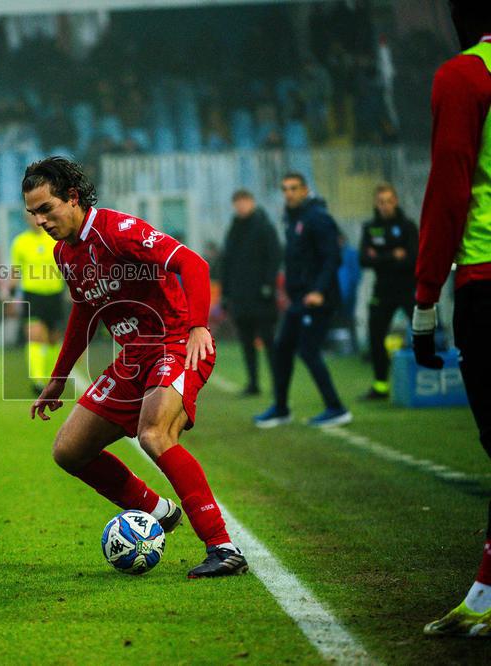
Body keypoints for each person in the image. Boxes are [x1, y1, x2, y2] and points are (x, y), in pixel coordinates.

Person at [26, 157, 248, 579]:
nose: (40, 220)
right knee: (69, 451)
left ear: (73, 199)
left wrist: (200, 325)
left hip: (175, 341)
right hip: (133, 358)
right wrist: (57, 380)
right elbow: (83, 314)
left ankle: (223, 546)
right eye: (33, 213)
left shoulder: (118, 231)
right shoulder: (64, 253)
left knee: (154, 434)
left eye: (46, 209)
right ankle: (157, 511)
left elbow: (193, 264)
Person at [414, 0, 491, 637]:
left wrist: (424, 295)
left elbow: (450, 186)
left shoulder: (466, 74)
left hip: (486, 275)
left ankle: (486, 596)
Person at [254, 173, 351, 428]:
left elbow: (332, 258)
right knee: (282, 349)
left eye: (294, 188)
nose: (289, 193)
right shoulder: (293, 218)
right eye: (285, 188)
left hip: (317, 298)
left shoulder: (318, 218)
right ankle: (281, 408)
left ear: (305, 190)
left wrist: (318, 290)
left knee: (308, 351)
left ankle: (336, 407)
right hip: (300, 299)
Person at [358, 183, 417, 400]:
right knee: (375, 337)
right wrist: (394, 255)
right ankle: (380, 385)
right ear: (376, 203)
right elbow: (363, 260)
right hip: (382, 291)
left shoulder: (407, 226)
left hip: (408, 289)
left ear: (396, 201)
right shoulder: (369, 227)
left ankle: (429, 379)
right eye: (380, 202)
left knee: (425, 333)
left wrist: (379, 257)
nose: (384, 206)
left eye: (388, 201)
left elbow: (413, 259)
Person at [219, 190, 281, 396]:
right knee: (246, 342)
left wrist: (268, 285)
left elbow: (275, 256)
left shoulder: (264, 227)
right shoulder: (234, 229)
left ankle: (278, 382)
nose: (240, 206)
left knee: (269, 341)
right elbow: (226, 263)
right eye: (237, 203)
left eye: (243, 202)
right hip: (240, 297)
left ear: (252, 202)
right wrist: (226, 294)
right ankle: (253, 383)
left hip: (261, 298)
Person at [1, 212, 68, 394]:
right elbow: (15, 271)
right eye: (31, 216)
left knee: (53, 339)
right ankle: (37, 381)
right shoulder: (20, 242)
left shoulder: (55, 239)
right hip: (33, 296)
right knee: (35, 335)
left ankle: (50, 377)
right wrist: (10, 294)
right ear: (27, 220)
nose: (35, 220)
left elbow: (67, 265)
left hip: (55, 294)